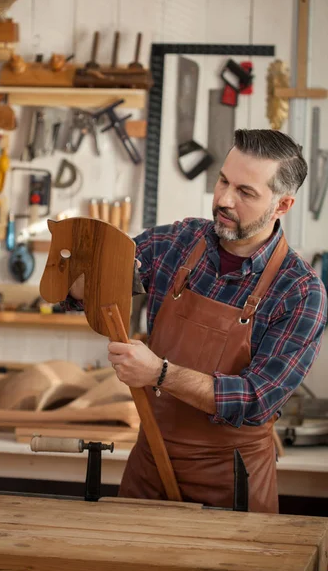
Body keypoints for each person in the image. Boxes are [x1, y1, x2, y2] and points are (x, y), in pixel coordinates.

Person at [66, 129, 327, 513]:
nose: (223, 199)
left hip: (231, 480)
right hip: (151, 462)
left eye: (246, 192)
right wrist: (85, 274)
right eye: (223, 180)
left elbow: (255, 399)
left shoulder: (301, 293)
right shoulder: (178, 242)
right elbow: (81, 295)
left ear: (282, 205)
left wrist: (160, 374)